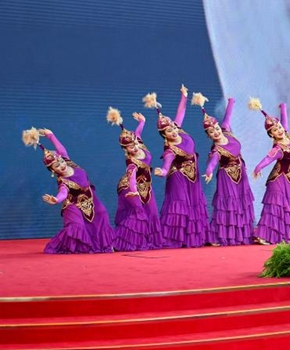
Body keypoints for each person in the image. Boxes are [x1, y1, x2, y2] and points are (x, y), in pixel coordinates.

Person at [22, 128, 115, 254]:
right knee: (77, 226)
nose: (61, 165)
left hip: (90, 198)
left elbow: (61, 150)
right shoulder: (63, 181)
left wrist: (50, 135)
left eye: (60, 161)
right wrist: (56, 200)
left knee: (102, 214)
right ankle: (76, 247)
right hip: (73, 205)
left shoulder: (68, 161)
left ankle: (105, 245)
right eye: (57, 166)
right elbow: (63, 193)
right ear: (53, 170)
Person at [144, 85, 215, 248]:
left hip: (193, 175)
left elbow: (181, 113)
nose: (173, 130)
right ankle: (174, 239)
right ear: (164, 135)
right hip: (178, 177)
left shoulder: (179, 129)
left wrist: (184, 96)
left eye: (173, 127)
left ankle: (195, 238)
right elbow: (166, 168)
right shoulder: (170, 150)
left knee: (194, 203)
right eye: (169, 130)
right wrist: (160, 171)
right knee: (179, 205)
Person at [192, 94, 263, 245]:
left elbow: (227, 118)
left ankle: (242, 234)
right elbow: (212, 162)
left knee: (242, 204)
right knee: (229, 206)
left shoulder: (226, 130)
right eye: (211, 132)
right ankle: (221, 236)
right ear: (209, 135)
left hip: (240, 173)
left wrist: (231, 102)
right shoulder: (217, 149)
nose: (216, 132)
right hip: (227, 177)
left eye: (216, 128)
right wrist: (210, 171)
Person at [249, 99, 290, 243]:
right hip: (279, 181)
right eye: (275, 130)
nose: (279, 130)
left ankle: (289, 236)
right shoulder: (278, 148)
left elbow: (285, 122)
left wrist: (283, 108)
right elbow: (267, 159)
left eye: (279, 127)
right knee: (275, 207)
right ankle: (265, 236)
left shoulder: (287, 135)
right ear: (271, 135)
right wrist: (258, 168)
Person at [106, 108, 162, 251]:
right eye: (131, 146)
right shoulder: (132, 162)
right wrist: (134, 191)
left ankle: (151, 241)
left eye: (135, 143)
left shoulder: (138, 143)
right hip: (129, 188)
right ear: (126, 149)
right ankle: (116, 243)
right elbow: (131, 178)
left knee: (153, 213)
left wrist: (142, 122)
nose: (135, 146)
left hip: (145, 187)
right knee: (138, 214)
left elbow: (137, 134)